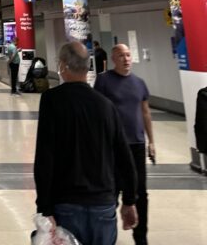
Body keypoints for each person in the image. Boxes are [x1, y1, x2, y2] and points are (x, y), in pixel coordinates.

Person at [34, 42, 138, 245]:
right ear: (87, 65)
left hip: (66, 203)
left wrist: (44, 208)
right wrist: (129, 201)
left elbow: (45, 157)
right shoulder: (106, 105)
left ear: (62, 66)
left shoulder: (52, 101)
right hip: (103, 204)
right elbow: (125, 157)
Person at [95, 44, 155, 245]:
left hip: (136, 145)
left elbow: (145, 112)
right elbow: (98, 112)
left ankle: (141, 238)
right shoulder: (104, 81)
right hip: (112, 146)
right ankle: (105, 236)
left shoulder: (139, 83)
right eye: (121, 55)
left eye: (128, 55)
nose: (126, 59)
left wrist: (151, 141)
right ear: (113, 59)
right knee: (110, 192)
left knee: (139, 194)